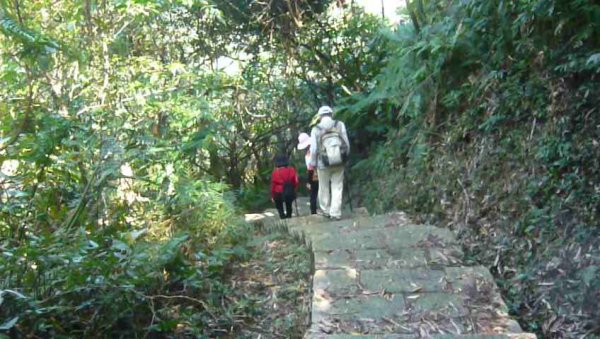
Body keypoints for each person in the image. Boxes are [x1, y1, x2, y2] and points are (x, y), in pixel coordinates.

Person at [309, 105, 350, 220]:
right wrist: (345, 157)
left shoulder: (316, 129)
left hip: (323, 163)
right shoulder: (339, 124)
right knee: (337, 186)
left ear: (320, 116)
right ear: (331, 114)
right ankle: (335, 213)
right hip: (339, 161)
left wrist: (313, 163)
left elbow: (313, 149)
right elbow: (346, 143)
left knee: (323, 187)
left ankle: (326, 210)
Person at [270, 155, 298, 219]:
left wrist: (272, 195)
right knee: (289, 205)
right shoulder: (292, 170)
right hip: (289, 190)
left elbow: (273, 185)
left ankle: (282, 217)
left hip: (278, 191)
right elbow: (295, 181)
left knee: (279, 205)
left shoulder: (275, 172)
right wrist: (294, 189)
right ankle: (289, 216)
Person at [298, 132, 319, 215]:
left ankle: (313, 211)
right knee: (319, 190)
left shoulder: (307, 154)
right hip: (318, 171)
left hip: (312, 173)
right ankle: (315, 209)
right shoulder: (315, 150)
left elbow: (309, 167)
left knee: (313, 192)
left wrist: (308, 181)